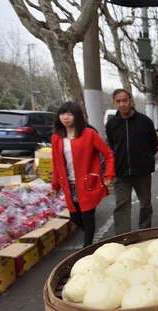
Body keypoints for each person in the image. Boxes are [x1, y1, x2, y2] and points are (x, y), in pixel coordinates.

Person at [51, 102, 115, 247]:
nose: (65, 117)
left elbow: (108, 154)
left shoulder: (89, 134)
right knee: (75, 217)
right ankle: (88, 234)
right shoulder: (56, 138)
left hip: (87, 184)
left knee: (87, 216)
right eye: (62, 114)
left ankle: (87, 248)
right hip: (69, 185)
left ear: (77, 116)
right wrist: (55, 184)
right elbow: (56, 163)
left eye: (69, 114)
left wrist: (109, 175)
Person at [105, 89, 158, 235]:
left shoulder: (144, 121)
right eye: (118, 101)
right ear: (114, 103)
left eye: (124, 100)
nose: (122, 104)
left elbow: (153, 144)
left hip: (142, 172)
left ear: (130, 101)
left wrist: (145, 160)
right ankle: (123, 237)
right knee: (121, 205)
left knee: (145, 203)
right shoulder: (111, 124)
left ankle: (146, 231)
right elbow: (110, 146)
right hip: (121, 172)